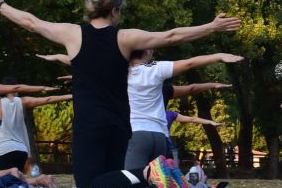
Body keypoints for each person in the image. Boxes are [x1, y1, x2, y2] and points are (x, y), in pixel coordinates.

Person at [0, 0, 240, 188]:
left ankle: (151, 172)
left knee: (88, 184)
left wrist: (0, 6)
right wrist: (212, 27)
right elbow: (171, 36)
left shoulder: (72, 34)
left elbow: (31, 23)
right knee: (115, 183)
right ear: (114, 11)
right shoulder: (125, 37)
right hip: (120, 124)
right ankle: (176, 178)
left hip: (91, 123)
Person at [39, 49, 243, 171]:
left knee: (131, 183)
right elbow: (190, 64)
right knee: (158, 185)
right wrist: (218, 55)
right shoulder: (156, 69)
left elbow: (82, 62)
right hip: (160, 137)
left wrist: (58, 57)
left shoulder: (116, 72)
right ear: (146, 52)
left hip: (136, 135)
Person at [0, 77, 72, 184]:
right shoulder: (24, 101)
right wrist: (72, 95)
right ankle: (41, 180)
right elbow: (48, 99)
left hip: (5, 149)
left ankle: (39, 180)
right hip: (21, 150)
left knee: (3, 183)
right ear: (16, 89)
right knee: (15, 182)